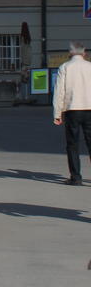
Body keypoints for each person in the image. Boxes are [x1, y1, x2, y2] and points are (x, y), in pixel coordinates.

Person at [53, 41, 91, 186]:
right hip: (90, 108)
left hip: (72, 110)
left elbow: (59, 91)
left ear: (70, 53)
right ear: (84, 53)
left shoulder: (65, 67)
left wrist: (57, 113)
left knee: (72, 144)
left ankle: (76, 177)